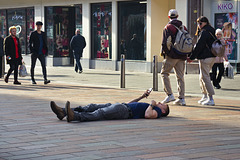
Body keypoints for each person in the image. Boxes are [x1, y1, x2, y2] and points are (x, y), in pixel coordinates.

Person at [50, 90, 170, 122]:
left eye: (162, 105)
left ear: (163, 111)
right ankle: (63, 112)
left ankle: (75, 116)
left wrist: (152, 104)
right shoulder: (154, 107)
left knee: (100, 113)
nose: (160, 103)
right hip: (123, 106)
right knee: (92, 106)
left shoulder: (157, 112)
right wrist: (142, 97)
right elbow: (131, 103)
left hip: (124, 111)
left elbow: (148, 115)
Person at [160, 9, 188, 106]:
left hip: (172, 55)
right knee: (180, 76)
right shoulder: (183, 27)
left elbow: (165, 43)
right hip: (182, 55)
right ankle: (181, 98)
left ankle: (169, 94)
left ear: (169, 17)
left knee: (164, 73)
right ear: (177, 16)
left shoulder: (168, 27)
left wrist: (167, 53)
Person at [187, 16, 216, 106]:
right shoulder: (212, 30)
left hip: (205, 57)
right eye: (198, 23)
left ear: (205, 23)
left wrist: (191, 58)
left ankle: (210, 98)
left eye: (200, 23)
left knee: (205, 77)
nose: (199, 25)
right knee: (202, 77)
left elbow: (199, 46)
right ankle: (205, 95)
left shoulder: (204, 32)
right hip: (212, 57)